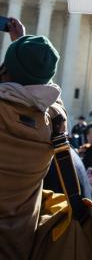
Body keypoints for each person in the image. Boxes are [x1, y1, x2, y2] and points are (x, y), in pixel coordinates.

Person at [0, 19, 66, 260]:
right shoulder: (54, 122)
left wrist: (18, 48)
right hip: (17, 244)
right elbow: (49, 97)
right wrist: (25, 54)